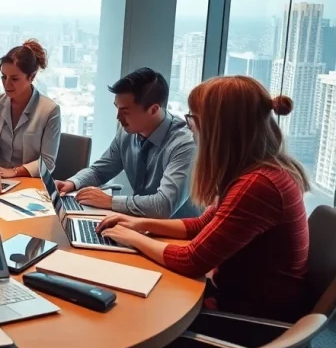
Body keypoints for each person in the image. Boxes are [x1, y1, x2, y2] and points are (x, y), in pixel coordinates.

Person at [97, 76, 309, 322]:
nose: (189, 127)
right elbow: (200, 225)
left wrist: (131, 237)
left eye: (193, 119)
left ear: (219, 128)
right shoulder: (255, 171)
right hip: (238, 299)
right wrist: (137, 223)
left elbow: (191, 261)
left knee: (130, 316)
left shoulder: (257, 185)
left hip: (249, 320)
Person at [55, 68, 197, 218]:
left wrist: (110, 202)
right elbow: (99, 171)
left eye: (125, 111)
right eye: (117, 108)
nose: (118, 117)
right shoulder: (128, 132)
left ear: (153, 109)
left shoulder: (185, 145)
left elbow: (163, 206)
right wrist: (73, 183)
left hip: (177, 234)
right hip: (139, 224)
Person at [0, 39, 60, 178]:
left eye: (14, 79)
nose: (7, 84)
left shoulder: (50, 110)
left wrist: (14, 172)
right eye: (4, 77)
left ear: (31, 77)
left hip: (29, 182)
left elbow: (48, 162)